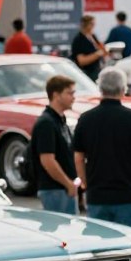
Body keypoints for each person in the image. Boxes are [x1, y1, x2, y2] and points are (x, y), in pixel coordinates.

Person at [72, 68, 131, 230]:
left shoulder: (86, 119)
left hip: (97, 194)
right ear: (123, 89)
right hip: (128, 193)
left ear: (100, 89)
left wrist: (85, 183)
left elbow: (79, 157)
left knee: (102, 249)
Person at [31, 74, 78, 215]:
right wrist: (68, 183)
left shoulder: (60, 120)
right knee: (61, 234)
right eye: (69, 93)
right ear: (56, 95)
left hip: (64, 189)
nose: (73, 97)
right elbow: (47, 160)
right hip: (54, 190)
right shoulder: (46, 123)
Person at [70, 15, 108, 81]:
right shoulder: (79, 40)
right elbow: (81, 61)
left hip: (96, 70)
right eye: (92, 24)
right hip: (87, 73)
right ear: (86, 25)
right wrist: (97, 54)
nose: (93, 26)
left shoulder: (92, 36)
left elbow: (101, 49)